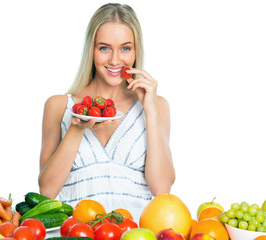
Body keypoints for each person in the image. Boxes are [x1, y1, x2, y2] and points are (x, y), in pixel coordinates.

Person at [38, 3, 175, 219]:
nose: (114, 60)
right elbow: (47, 191)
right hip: (77, 232)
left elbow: (162, 190)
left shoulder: (157, 106)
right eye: (104, 48)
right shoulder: (58, 105)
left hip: (137, 233)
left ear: (136, 50)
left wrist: (150, 111)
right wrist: (77, 128)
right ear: (91, 50)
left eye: (125, 48)